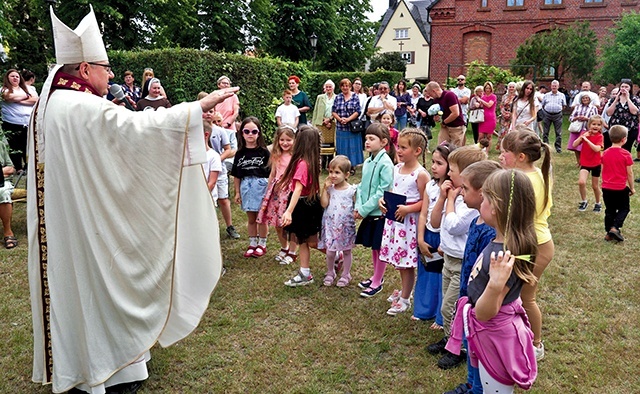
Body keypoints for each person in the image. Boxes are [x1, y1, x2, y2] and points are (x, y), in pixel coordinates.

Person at [28, 6, 233, 393]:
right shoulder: (83, 108)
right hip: (88, 223)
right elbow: (138, 129)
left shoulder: (48, 106)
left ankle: (78, 362)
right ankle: (109, 367)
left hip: (64, 220)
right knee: (102, 284)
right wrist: (193, 110)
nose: (110, 74)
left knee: (74, 289)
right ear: (85, 68)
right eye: (105, 67)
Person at [445, 169, 539, 393]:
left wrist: (495, 285)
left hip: (494, 335)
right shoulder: (506, 241)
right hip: (487, 333)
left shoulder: (504, 255)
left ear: (495, 207)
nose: (481, 202)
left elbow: (486, 313)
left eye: (485, 198)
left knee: (494, 389)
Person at [443, 160, 502, 394]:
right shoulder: (478, 218)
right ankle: (471, 383)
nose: (461, 192)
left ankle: (478, 388)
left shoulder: (490, 229)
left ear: (484, 193)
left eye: (465, 189)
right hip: (468, 295)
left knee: (479, 347)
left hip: (480, 301)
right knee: (471, 345)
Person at [426, 145, 487, 370]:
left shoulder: (471, 202)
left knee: (452, 306)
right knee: (447, 303)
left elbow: (453, 226)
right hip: (449, 258)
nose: (449, 173)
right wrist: (445, 198)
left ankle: (459, 348)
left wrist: (450, 200)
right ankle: (449, 339)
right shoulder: (455, 195)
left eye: (453, 169)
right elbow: (435, 223)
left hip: (463, 261)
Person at [500, 128, 554, 360]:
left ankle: (535, 345)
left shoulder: (521, 181)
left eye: (505, 152)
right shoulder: (534, 174)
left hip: (533, 247)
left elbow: (509, 215)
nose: (500, 156)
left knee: (525, 297)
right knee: (516, 294)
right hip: (535, 243)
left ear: (521, 157)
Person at [380, 129, 430, 316]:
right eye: (397, 146)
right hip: (396, 222)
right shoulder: (396, 168)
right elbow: (394, 190)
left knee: (406, 262)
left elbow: (427, 200)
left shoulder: (420, 174)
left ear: (417, 151)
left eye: (403, 147)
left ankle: (405, 298)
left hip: (409, 224)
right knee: (399, 260)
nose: (398, 150)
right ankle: (404, 290)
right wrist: (383, 202)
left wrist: (409, 209)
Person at [416, 143, 455, 327]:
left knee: (443, 277)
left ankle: (441, 316)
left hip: (444, 238)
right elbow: (423, 213)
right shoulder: (430, 186)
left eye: (439, 163)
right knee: (426, 272)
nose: (433, 167)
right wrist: (420, 239)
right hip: (428, 235)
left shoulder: (453, 191)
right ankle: (424, 309)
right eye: (433, 162)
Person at [280, 125, 323, 286]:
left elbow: (298, 189)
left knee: (309, 241)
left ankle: (337, 255)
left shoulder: (303, 164)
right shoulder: (312, 159)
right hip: (309, 202)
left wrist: (289, 211)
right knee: (303, 240)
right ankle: (305, 272)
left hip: (303, 205)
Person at [356, 124, 396, 297]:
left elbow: (382, 191)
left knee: (379, 248)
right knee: (374, 247)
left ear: (383, 142)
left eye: (372, 139)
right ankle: (375, 275)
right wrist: (359, 206)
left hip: (379, 213)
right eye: (366, 138)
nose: (367, 142)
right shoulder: (368, 161)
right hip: (368, 212)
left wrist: (364, 209)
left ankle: (377, 281)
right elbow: (362, 187)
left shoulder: (386, 163)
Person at [197, 93, 240, 239]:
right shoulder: (196, 129)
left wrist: (217, 159)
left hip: (218, 169)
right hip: (202, 167)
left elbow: (228, 149)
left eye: (211, 111)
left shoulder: (220, 131)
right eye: (205, 111)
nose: (208, 114)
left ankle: (229, 226)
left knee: (222, 198)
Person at [232, 117, 271, 258]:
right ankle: (252, 242)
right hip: (246, 186)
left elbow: (271, 173)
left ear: (259, 133)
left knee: (262, 217)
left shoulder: (264, 152)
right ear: (241, 133)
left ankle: (262, 243)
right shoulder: (239, 153)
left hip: (261, 185)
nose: (250, 134)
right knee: (251, 218)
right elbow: (236, 175)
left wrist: (269, 191)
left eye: (254, 131)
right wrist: (237, 192)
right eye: (246, 131)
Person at [256, 125, 295, 263]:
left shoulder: (295, 156)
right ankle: (284, 247)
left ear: (294, 141)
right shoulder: (276, 155)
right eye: (282, 140)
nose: (285, 143)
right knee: (278, 223)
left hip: (289, 192)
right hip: (276, 191)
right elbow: (273, 173)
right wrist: (269, 189)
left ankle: (293, 251)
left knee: (290, 224)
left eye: (288, 140)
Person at [319, 155, 357, 287]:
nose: (333, 175)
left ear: (346, 175)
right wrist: (324, 189)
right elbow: (324, 204)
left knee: (346, 251)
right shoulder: (330, 189)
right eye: (330, 172)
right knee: (330, 251)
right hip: (330, 225)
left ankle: (346, 274)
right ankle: (330, 272)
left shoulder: (351, 191)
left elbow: (356, 206)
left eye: (337, 172)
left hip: (345, 226)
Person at [601, 125, 635, 242]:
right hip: (620, 188)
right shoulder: (626, 154)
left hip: (606, 187)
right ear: (624, 139)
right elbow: (629, 173)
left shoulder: (605, 153)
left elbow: (603, 169)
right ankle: (615, 227)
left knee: (609, 210)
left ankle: (608, 233)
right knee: (624, 208)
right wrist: (632, 188)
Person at [1, 69, 38, 171]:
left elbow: (35, 100)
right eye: (12, 76)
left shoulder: (27, 89)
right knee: (15, 146)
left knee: (28, 146)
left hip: (27, 122)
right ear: (7, 78)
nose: (15, 78)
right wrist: (26, 97)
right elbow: (8, 97)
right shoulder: (3, 89)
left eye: (17, 76)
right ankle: (18, 168)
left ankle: (28, 167)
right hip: (11, 122)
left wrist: (18, 100)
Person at [573, 115, 605, 212]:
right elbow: (574, 145)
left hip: (596, 164)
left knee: (595, 186)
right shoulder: (584, 133)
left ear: (601, 126)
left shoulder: (600, 136)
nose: (596, 126)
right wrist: (582, 138)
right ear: (589, 125)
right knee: (581, 182)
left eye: (598, 125)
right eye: (593, 124)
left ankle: (598, 203)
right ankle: (584, 201)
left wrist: (587, 140)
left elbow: (596, 149)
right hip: (585, 163)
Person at [332, 78, 363, 172]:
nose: (345, 87)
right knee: (342, 147)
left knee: (352, 147)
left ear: (350, 87)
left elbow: (358, 111)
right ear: (340, 87)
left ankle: (352, 166)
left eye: (347, 86)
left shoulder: (355, 97)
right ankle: (342, 165)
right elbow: (333, 111)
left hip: (352, 127)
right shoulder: (338, 97)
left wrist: (348, 119)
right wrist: (339, 119)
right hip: (341, 127)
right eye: (343, 86)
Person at [425, 81, 466, 147]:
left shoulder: (449, 95)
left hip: (456, 127)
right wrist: (436, 117)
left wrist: (444, 122)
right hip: (446, 127)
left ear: (434, 91)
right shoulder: (436, 100)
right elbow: (439, 112)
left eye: (430, 94)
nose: (430, 96)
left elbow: (455, 113)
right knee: (441, 148)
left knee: (455, 150)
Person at [605, 78, 640, 154]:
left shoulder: (635, 99)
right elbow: (608, 113)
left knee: (626, 149)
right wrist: (616, 99)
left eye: (626, 87)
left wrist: (628, 98)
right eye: (622, 87)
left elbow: (634, 112)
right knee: (616, 147)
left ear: (630, 88)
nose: (624, 89)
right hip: (616, 127)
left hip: (630, 128)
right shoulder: (613, 99)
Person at [567, 94, 599, 166]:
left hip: (586, 128)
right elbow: (571, 118)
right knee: (575, 146)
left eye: (587, 98)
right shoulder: (577, 107)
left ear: (589, 99)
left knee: (582, 147)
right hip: (576, 128)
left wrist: (587, 119)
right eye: (583, 98)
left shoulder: (593, 108)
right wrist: (577, 118)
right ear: (581, 100)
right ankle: (579, 161)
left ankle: (584, 160)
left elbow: (596, 119)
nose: (585, 100)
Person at [540, 80, 567, 153]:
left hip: (557, 115)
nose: (554, 87)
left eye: (555, 86)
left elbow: (564, 105)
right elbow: (542, 105)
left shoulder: (562, 95)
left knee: (558, 132)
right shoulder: (546, 95)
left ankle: (558, 147)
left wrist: (558, 109)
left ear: (558, 87)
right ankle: (545, 147)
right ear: (551, 86)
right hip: (547, 114)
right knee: (545, 132)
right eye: (553, 85)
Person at [0, 138, 16, 248]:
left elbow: (11, 168)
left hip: (3, 182)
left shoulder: (0, 145)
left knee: (3, 192)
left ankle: (8, 232)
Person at [202, 121, 222, 203]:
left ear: (206, 135)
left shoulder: (213, 156)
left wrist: (200, 197)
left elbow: (212, 182)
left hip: (207, 200)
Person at [477, 81, 497, 150]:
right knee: (480, 136)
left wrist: (481, 100)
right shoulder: (483, 97)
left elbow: (489, 105)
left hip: (491, 118)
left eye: (489, 88)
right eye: (486, 88)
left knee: (489, 136)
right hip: (483, 118)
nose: (487, 90)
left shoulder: (493, 96)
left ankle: (487, 152)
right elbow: (480, 105)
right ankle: (479, 150)